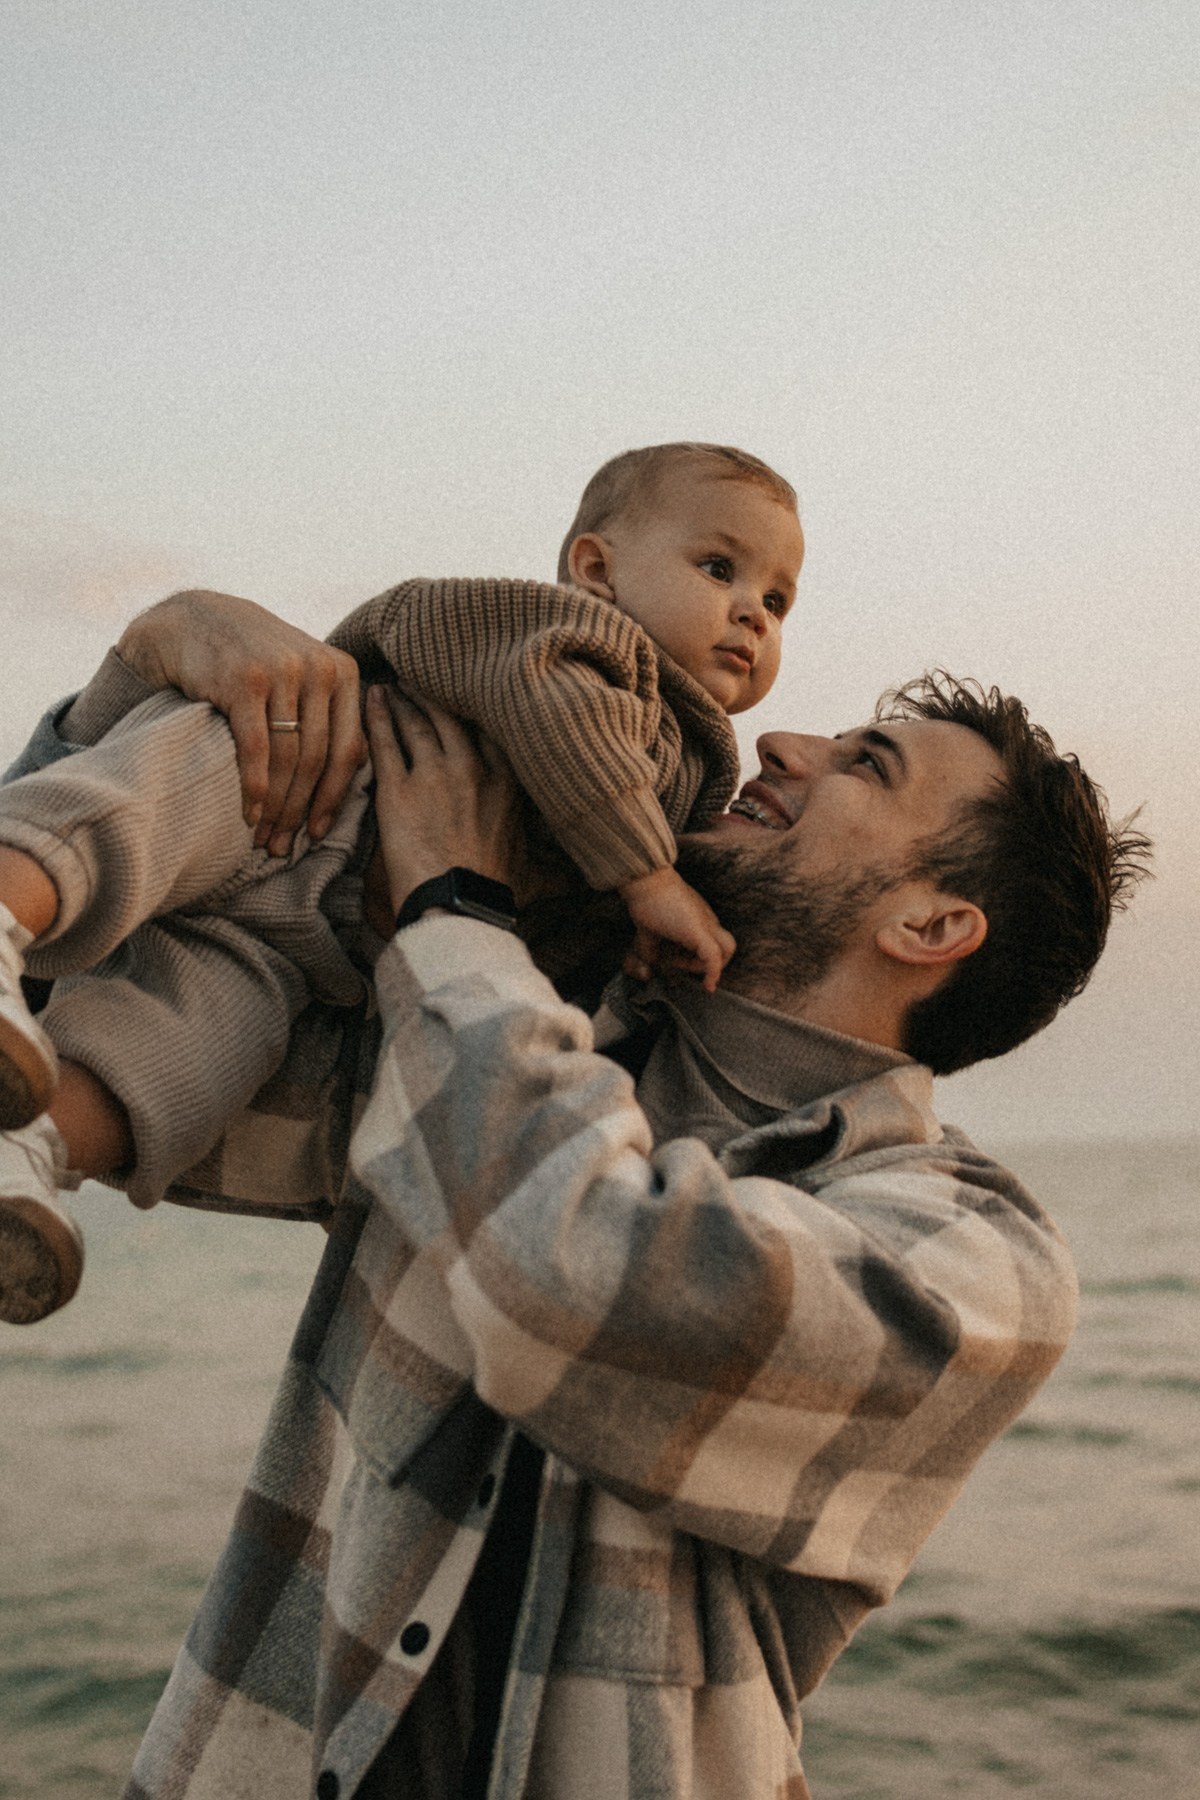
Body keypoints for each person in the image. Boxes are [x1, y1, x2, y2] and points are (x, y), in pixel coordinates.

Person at [73, 607, 1139, 1796]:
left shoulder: (978, 1262)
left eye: (865, 765)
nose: (783, 743)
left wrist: (455, 910)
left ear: (931, 926)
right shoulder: (497, 1035)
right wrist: (137, 677)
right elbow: (89, 1040)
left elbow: (576, 1277)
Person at [0, 441, 805, 1324]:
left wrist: (629, 940)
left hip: (306, 943)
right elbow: (558, 718)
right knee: (119, 819)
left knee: (179, 1058)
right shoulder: (570, 638)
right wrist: (647, 879)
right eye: (719, 568)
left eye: (777, 600)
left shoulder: (695, 772)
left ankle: (32, 1151)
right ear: (596, 570)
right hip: (304, 780)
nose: (753, 614)